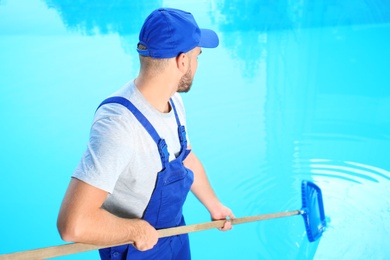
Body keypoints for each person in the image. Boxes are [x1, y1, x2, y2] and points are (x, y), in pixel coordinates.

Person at [57, 7, 234, 260]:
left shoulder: (173, 102)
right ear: (182, 61)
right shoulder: (118, 126)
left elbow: (186, 159)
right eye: (197, 56)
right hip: (135, 249)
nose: (197, 64)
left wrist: (214, 205)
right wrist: (134, 229)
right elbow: (73, 224)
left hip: (173, 234)